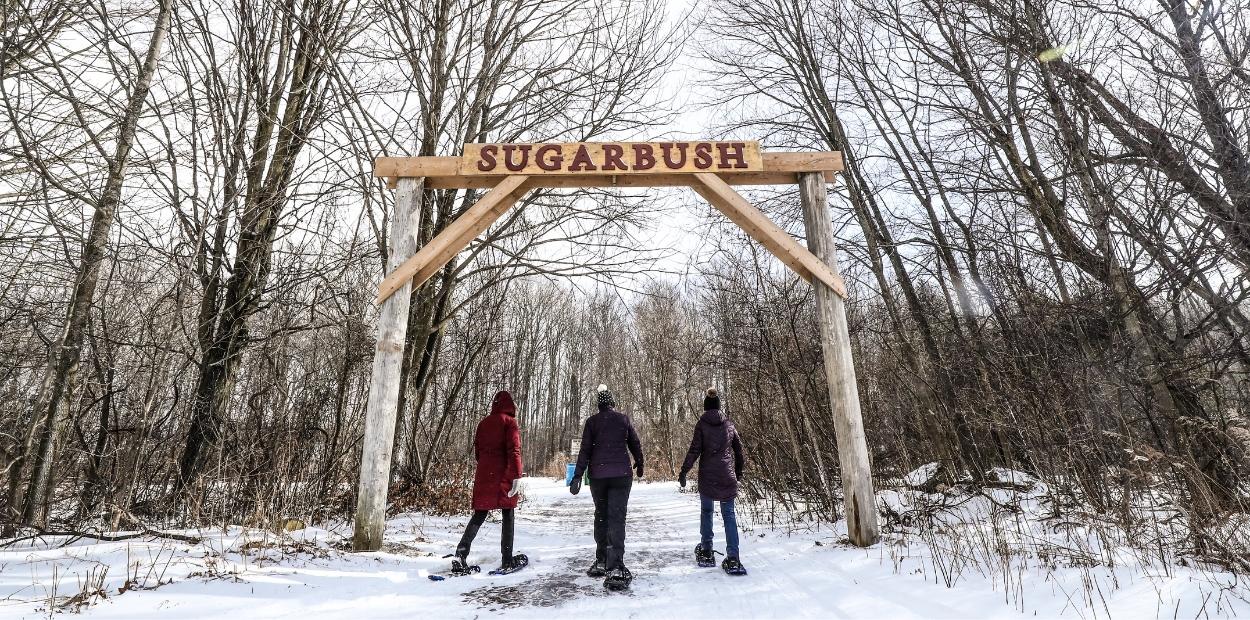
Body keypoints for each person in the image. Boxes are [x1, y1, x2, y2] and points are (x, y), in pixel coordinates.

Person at [569, 384, 644, 590]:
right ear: (612, 403)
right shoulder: (623, 420)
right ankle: (616, 566)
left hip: (599, 477)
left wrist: (577, 476)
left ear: (599, 405)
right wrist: (640, 463)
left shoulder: (592, 422)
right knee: (616, 518)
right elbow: (635, 443)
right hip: (621, 476)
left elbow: (584, 451)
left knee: (601, 516)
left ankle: (602, 560)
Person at [452, 390, 525, 574]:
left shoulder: (483, 423)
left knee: (480, 514)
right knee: (508, 514)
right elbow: (514, 451)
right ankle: (507, 559)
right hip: (504, 475)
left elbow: (478, 452)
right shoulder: (510, 423)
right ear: (510, 405)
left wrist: (487, 467)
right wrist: (516, 475)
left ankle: (461, 553)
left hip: (484, 474)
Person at [679, 387, 747, 575]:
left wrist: (684, 472)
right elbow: (740, 452)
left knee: (707, 512)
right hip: (727, 476)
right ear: (719, 406)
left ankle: (707, 551)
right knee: (729, 516)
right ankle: (733, 557)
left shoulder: (702, 425)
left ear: (705, 407)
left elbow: (694, 451)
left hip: (708, 476)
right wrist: (738, 473)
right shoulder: (729, 425)